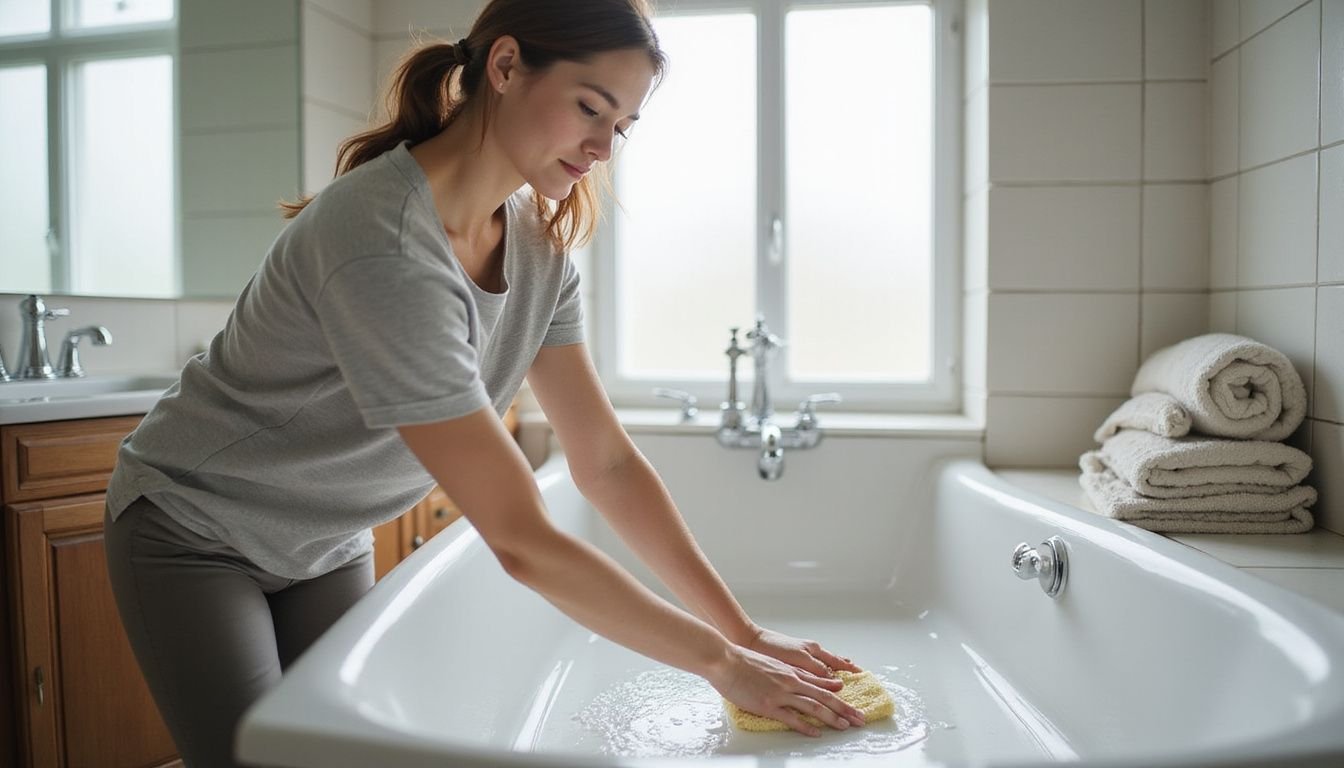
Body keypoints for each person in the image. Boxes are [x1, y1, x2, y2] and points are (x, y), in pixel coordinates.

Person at [103, 1, 865, 765]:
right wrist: (723, 668)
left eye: (622, 126)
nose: (602, 147)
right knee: (258, 758)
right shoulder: (385, 243)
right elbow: (522, 542)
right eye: (590, 109)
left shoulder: (536, 246)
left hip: (326, 542)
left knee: (339, 753)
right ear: (504, 67)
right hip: (196, 527)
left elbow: (605, 461)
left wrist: (742, 630)